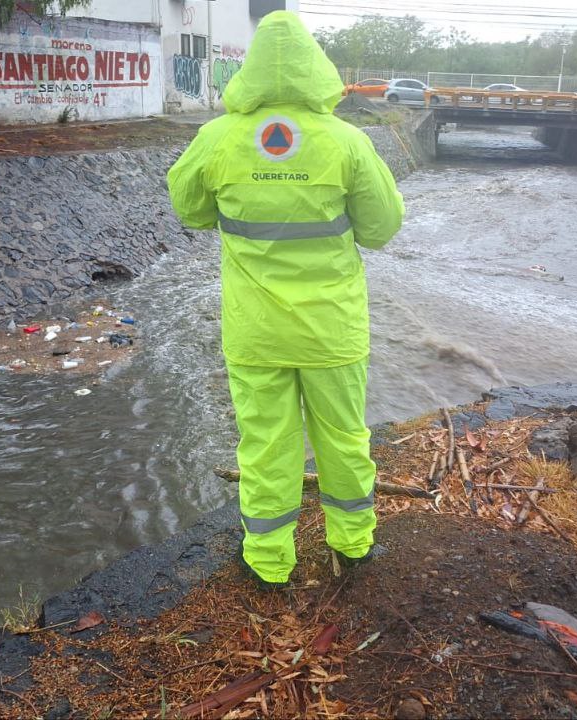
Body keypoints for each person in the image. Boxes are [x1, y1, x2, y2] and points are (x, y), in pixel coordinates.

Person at [167, 11, 404, 590]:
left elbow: (191, 210)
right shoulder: (346, 141)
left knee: (265, 443)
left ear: (250, 70)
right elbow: (381, 228)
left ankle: (269, 560)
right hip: (332, 330)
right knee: (344, 438)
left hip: (255, 332)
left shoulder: (217, 138)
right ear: (314, 68)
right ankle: (352, 545)